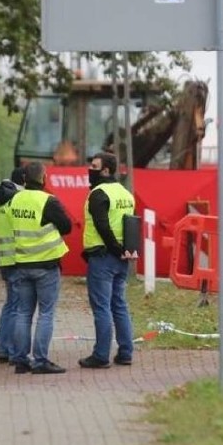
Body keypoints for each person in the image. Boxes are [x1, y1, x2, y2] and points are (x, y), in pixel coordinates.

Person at [8, 161, 72, 374]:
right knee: (46, 313)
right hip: (46, 265)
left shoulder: (14, 200)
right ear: (44, 178)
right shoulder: (48, 201)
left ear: (24, 179)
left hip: (22, 263)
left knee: (23, 312)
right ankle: (40, 360)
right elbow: (67, 226)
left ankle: (20, 360)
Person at [79, 152, 136, 369]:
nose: (90, 170)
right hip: (122, 258)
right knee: (119, 305)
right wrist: (125, 251)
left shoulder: (98, 193)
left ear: (105, 170)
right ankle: (125, 352)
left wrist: (115, 248)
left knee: (101, 307)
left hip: (103, 256)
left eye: (94, 166)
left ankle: (101, 355)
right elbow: (131, 224)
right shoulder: (125, 193)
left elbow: (103, 226)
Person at [0, 167, 25, 364]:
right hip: (18, 259)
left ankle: (4, 348)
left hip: (4, 260)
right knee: (18, 307)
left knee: (10, 305)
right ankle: (13, 351)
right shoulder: (16, 200)